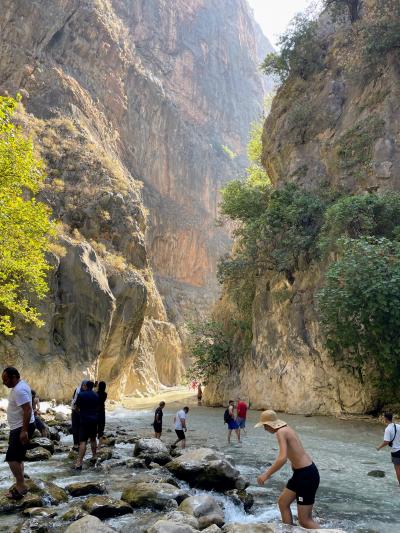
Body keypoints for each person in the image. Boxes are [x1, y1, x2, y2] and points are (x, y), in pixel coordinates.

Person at [255, 410, 320, 530]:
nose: (264, 429)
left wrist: (266, 475)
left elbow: (282, 458)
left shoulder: (280, 432)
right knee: (283, 503)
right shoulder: (286, 428)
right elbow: (295, 451)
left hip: (307, 476)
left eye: (264, 426)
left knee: (305, 521)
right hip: (301, 474)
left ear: (270, 424)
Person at [2, 367, 35, 500]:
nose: (4, 382)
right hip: (18, 427)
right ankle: (21, 484)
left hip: (20, 427)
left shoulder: (20, 390)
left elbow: (27, 410)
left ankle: (21, 486)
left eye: (6, 379)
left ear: (14, 377)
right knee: (18, 457)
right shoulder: (20, 386)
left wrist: (24, 431)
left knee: (11, 458)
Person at [74, 380, 99, 470]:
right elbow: (98, 408)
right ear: (92, 387)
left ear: (86, 386)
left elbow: (76, 407)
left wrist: (80, 413)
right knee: (93, 439)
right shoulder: (96, 395)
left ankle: (79, 462)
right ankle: (94, 457)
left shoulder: (81, 395)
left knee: (83, 441)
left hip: (84, 420)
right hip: (94, 420)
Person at [376, 412, 400, 484]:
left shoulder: (388, 429)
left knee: (398, 469)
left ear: (386, 419)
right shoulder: (398, 426)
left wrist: (379, 447)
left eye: (383, 418)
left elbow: (386, 441)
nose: (383, 419)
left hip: (396, 451)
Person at [71, 380, 88, 451]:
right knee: (75, 428)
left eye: (86, 385)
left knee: (82, 428)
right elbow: (74, 401)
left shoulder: (87, 391)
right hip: (75, 411)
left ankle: (81, 444)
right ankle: (76, 444)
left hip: (82, 412)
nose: (85, 387)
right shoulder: (77, 390)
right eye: (83, 385)